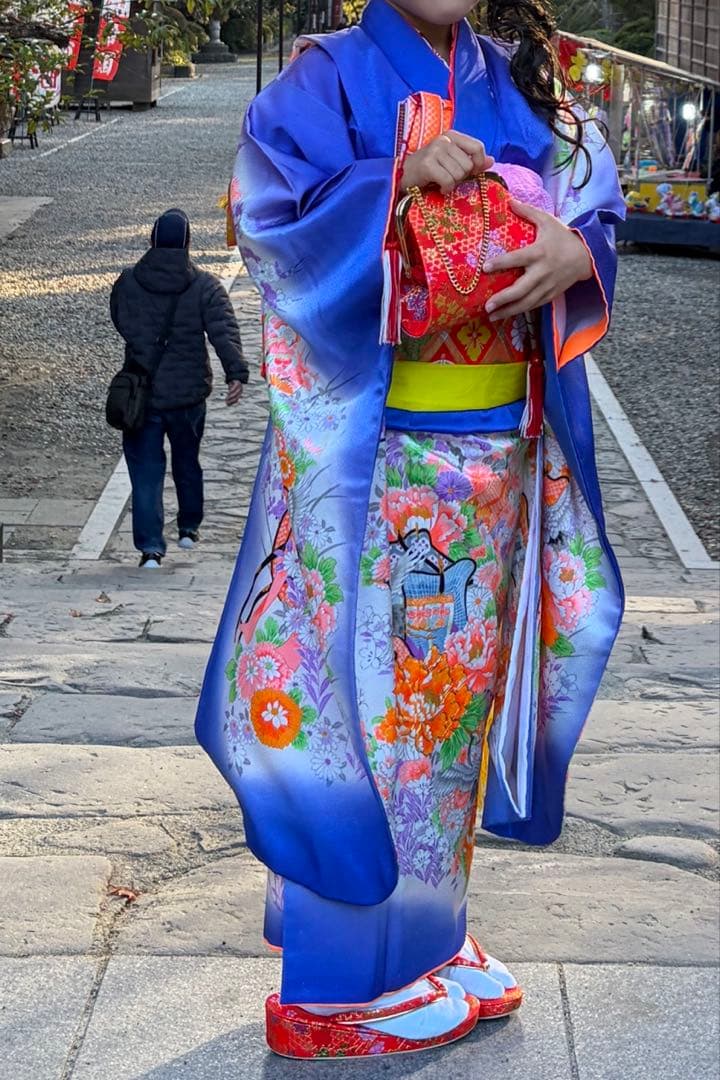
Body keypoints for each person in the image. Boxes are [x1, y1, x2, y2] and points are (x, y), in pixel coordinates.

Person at [196, 0, 625, 1059]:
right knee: (374, 713)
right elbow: (265, 220)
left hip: (496, 464)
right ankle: (337, 989)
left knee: (449, 716)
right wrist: (392, 181)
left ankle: (427, 938)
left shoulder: (510, 73)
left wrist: (579, 252)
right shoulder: (326, 77)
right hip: (382, 463)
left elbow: (594, 202)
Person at [110, 209, 248, 568]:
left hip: (141, 394)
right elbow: (224, 332)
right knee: (187, 462)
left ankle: (150, 548)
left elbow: (121, 322)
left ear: (151, 240)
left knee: (145, 472)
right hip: (188, 395)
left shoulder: (127, 282)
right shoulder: (205, 287)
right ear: (188, 243)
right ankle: (188, 527)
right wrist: (236, 373)